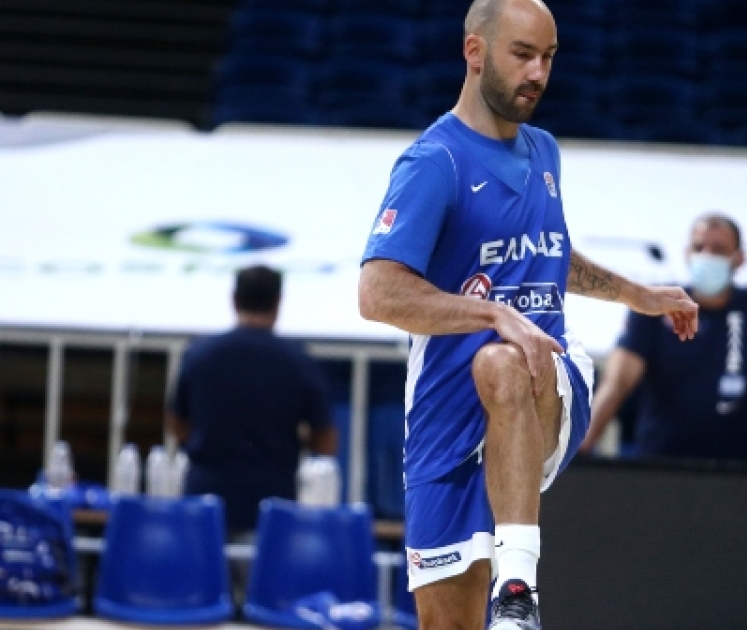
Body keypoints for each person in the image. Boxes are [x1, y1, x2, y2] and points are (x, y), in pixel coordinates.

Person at [356, 1, 700, 628]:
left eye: (548, 57)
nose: (538, 73)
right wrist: (492, 312)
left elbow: (550, 252)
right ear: (475, 51)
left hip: (545, 379)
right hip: (445, 414)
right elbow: (377, 294)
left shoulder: (544, 152)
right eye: (523, 55)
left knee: (504, 363)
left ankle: (518, 586)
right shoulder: (435, 163)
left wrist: (636, 295)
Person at [581, 214, 747, 469]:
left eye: (719, 249)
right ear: (688, 253)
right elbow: (618, 381)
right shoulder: (656, 305)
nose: (707, 256)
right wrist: (585, 438)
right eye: (700, 247)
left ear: (739, 258)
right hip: (661, 467)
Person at [170, 264, 337, 536]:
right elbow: (326, 441)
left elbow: (177, 425)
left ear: (234, 300)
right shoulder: (298, 361)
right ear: (278, 303)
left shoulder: (199, 354)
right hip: (272, 508)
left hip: (204, 505)